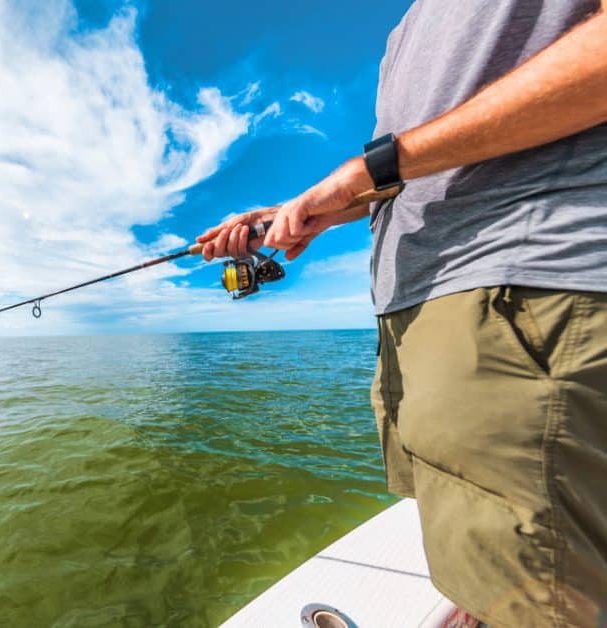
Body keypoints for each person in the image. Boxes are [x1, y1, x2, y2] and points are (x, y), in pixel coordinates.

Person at [197, 1, 607, 626]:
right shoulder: (403, 33)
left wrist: (373, 165)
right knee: (483, 557)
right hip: (417, 311)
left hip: (518, 287)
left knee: (545, 594)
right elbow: (419, 170)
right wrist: (304, 207)